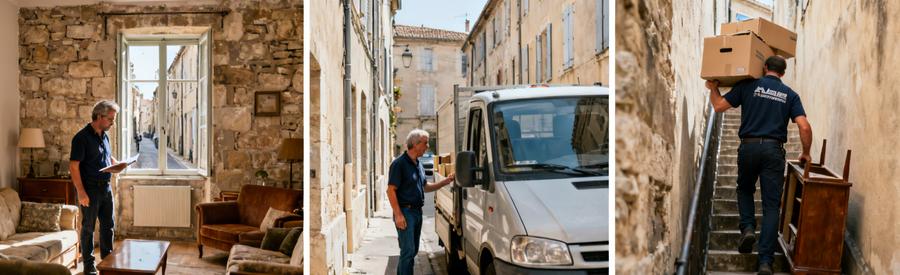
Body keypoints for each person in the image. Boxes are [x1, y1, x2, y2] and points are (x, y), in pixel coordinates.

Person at [706, 56, 812, 275]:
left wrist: (713, 88)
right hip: (774, 151)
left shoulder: (747, 85)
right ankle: (765, 263)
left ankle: (747, 228)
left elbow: (717, 106)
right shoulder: (790, 95)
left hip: (748, 147)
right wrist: (806, 153)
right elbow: (804, 126)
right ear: (782, 73)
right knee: (772, 206)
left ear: (765, 68)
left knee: (744, 188)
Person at [69, 100, 128, 275]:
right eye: (110, 119)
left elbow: (107, 157)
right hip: (90, 190)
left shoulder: (105, 135)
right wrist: (81, 193)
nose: (113, 122)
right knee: (88, 228)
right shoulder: (81, 138)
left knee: (108, 226)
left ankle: (107, 262)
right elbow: (74, 167)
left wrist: (118, 164)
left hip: (106, 188)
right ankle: (89, 266)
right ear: (99, 116)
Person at [387, 129, 455, 275]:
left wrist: (446, 181)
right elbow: (390, 190)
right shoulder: (399, 164)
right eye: (425, 143)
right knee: (408, 251)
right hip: (405, 213)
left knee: (412, 251)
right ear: (415, 144)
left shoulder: (418, 164)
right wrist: (398, 215)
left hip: (417, 212)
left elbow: (425, 187)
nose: (427, 146)